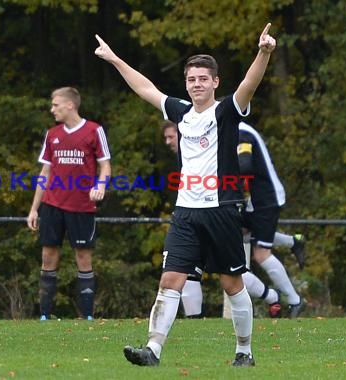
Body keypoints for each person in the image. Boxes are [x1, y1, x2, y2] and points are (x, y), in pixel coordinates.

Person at [95, 23, 277, 367]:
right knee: (170, 279)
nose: (197, 85)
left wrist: (264, 52)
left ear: (215, 82)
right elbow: (145, 88)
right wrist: (115, 59)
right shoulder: (180, 111)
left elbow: (249, 85)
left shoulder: (226, 111)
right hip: (186, 212)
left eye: (203, 79)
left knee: (231, 282)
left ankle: (244, 351)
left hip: (221, 209)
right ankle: (152, 350)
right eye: (192, 79)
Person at [162, 121, 283, 319]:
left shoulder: (212, 144)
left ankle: (270, 299)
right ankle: (194, 323)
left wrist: (236, 208)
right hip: (191, 218)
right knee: (186, 270)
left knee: (231, 275)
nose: (168, 141)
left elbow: (239, 171)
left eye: (171, 136)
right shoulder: (185, 155)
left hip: (219, 216)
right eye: (165, 137)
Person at [27, 87, 111, 321]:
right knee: (48, 256)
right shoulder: (52, 134)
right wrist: (35, 208)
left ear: (70, 105)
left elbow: (105, 164)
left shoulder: (94, 131)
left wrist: (100, 186)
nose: (52, 109)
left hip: (82, 206)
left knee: (83, 258)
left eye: (55, 105)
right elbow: (45, 171)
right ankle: (44, 314)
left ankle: (87, 316)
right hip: (53, 205)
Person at [238, 122, 306, 318]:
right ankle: (294, 241)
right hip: (257, 199)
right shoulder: (241, 130)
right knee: (241, 231)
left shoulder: (241, 133)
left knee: (261, 254)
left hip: (266, 200)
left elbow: (244, 165)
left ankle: (295, 300)